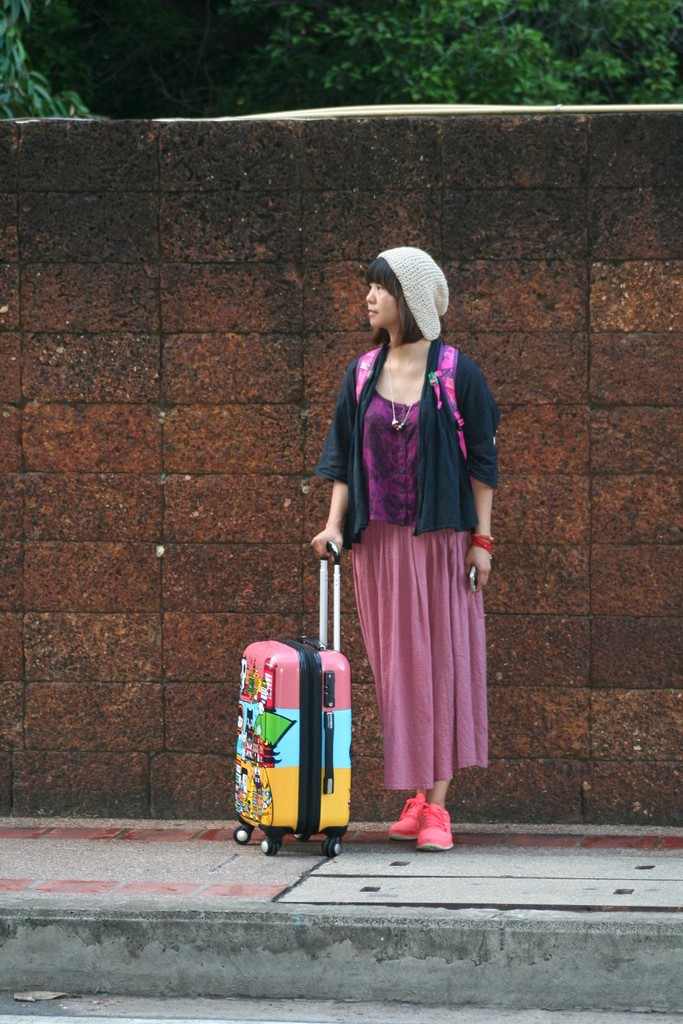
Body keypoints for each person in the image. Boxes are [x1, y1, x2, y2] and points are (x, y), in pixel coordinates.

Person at [311, 247, 499, 852]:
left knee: (439, 664)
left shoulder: (455, 373)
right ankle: (419, 796)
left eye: (378, 288)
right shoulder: (362, 373)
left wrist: (482, 540)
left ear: (409, 299)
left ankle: (438, 808)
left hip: (441, 541)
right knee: (399, 673)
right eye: (368, 287)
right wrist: (335, 525)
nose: (368, 298)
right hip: (380, 545)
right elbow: (342, 458)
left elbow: (484, 466)